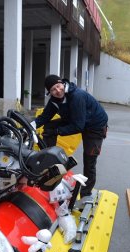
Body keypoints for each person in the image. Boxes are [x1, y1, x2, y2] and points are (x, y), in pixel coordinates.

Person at [33, 74, 108, 202]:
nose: (57, 91)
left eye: (58, 86)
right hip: (77, 119)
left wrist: (58, 131)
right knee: (49, 127)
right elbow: (45, 117)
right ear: (50, 93)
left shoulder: (77, 96)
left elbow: (78, 126)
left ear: (62, 83)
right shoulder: (54, 101)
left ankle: (86, 193)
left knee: (89, 159)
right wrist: (30, 126)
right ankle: (50, 162)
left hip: (95, 127)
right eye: (52, 90)